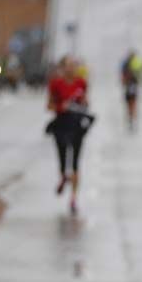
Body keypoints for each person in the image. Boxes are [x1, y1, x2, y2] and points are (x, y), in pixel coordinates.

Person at [46, 56, 90, 215]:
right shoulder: (56, 83)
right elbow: (49, 105)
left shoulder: (81, 83)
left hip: (77, 125)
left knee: (76, 163)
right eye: (68, 66)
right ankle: (64, 177)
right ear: (63, 68)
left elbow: (86, 102)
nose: (72, 68)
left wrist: (83, 103)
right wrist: (61, 106)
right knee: (63, 161)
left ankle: (73, 199)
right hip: (61, 125)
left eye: (74, 65)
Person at [121, 50, 142, 131]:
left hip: (132, 86)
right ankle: (131, 119)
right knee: (130, 105)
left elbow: (140, 74)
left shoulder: (134, 64)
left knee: (132, 104)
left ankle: (132, 119)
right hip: (130, 87)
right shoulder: (126, 65)